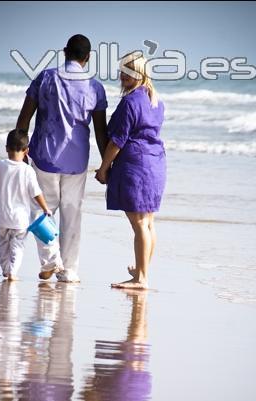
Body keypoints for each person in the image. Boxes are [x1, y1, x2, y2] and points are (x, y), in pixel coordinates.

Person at [16, 34, 108, 283]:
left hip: (44, 155)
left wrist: (20, 152)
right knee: (72, 213)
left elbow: (24, 118)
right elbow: (101, 130)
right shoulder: (95, 87)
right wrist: (106, 164)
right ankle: (69, 271)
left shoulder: (45, 77)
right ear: (87, 58)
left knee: (41, 211)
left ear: (65, 52)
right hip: (77, 161)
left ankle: (49, 261)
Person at [95, 52, 166, 290]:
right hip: (155, 164)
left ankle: (141, 279)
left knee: (139, 224)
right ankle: (142, 270)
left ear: (139, 74)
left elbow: (117, 141)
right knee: (148, 223)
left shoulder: (129, 102)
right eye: (122, 70)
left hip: (135, 166)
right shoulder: (156, 100)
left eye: (127, 71)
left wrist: (103, 168)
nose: (122, 75)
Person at [0, 128, 51, 281]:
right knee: (17, 246)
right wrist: (46, 208)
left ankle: (5, 270)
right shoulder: (27, 170)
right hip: (20, 219)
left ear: (6, 148)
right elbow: (36, 192)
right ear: (27, 151)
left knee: (3, 245)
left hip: (2, 217)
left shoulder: (1, 165)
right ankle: (13, 272)